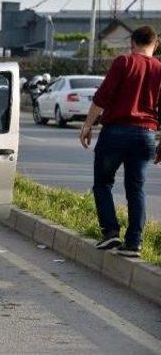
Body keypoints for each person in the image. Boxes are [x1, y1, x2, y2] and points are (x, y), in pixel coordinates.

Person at [80, 26, 161, 257]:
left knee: (103, 184)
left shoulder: (123, 62)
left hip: (116, 132)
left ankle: (111, 232)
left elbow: (102, 96)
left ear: (132, 43)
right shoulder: (160, 68)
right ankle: (134, 243)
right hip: (146, 134)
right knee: (136, 189)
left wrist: (87, 125)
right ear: (155, 45)